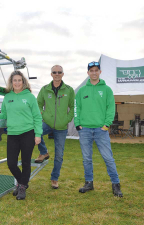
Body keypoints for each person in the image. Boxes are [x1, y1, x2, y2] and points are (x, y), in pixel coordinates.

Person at [74, 61, 123, 197]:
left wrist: (106, 125)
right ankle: (89, 183)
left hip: (101, 130)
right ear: (88, 73)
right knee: (86, 159)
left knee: (108, 158)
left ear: (100, 72)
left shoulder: (106, 89)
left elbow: (110, 108)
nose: (94, 72)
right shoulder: (82, 90)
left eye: (96, 70)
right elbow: (76, 108)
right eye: (91, 70)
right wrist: (78, 124)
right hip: (84, 130)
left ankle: (116, 184)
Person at [0, 70, 42, 200]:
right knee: (11, 163)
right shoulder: (7, 97)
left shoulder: (30, 97)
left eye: (19, 80)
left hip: (28, 133)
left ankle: (21, 187)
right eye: (14, 80)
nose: (17, 83)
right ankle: (23, 183)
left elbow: (37, 117)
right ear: (11, 82)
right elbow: (4, 114)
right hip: (12, 134)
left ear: (23, 82)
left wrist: (38, 134)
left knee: (26, 162)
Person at [35, 65, 75, 189]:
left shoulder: (69, 90)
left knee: (59, 155)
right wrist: (43, 115)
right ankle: (43, 152)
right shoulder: (45, 89)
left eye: (59, 72)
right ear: (51, 74)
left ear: (63, 74)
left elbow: (74, 107)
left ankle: (54, 178)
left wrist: (67, 119)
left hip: (62, 127)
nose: (57, 74)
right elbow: (38, 105)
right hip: (47, 122)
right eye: (54, 72)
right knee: (34, 132)